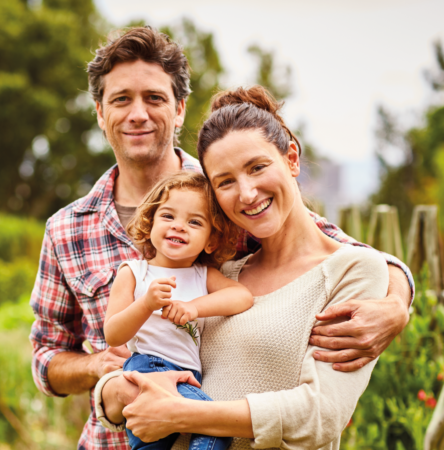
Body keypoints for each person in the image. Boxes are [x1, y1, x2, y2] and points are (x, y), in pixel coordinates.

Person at [28, 26, 414, 450]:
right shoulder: (67, 228)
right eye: (121, 99)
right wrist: (100, 371)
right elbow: (47, 353)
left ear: (179, 110)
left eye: (154, 98)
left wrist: (397, 300)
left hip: (205, 427)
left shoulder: (220, 196)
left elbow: (322, 245)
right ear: (101, 113)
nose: (138, 113)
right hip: (111, 437)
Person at [95, 85, 392, 449]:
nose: (247, 193)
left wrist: (183, 414)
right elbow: (141, 367)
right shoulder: (224, 273)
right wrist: (115, 390)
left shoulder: (353, 270)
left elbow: (320, 415)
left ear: (292, 159)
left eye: (257, 167)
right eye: (226, 182)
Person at [104, 171, 254, 450]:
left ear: (210, 241)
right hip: (149, 368)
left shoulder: (202, 275)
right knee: (213, 428)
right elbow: (113, 334)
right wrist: (146, 304)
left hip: (189, 375)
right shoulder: (135, 273)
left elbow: (242, 296)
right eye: (168, 216)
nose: (179, 226)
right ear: (150, 224)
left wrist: (193, 307)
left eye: (194, 222)